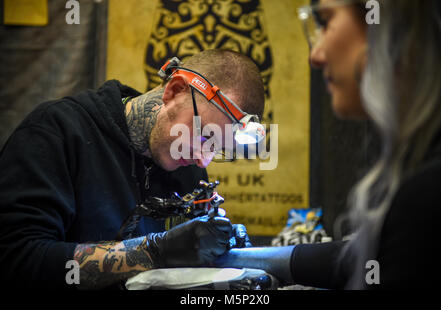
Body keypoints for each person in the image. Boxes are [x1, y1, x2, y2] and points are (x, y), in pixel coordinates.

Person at [215, 0, 441, 289]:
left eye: (325, 22)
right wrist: (237, 258)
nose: (315, 55)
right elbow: (358, 259)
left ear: (389, 24)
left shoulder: (430, 192)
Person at [0, 49, 264, 289]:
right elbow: (17, 259)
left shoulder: (188, 170)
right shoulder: (57, 133)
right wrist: (154, 251)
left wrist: (219, 252)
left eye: (217, 149)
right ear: (174, 92)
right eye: (205, 136)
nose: (202, 161)